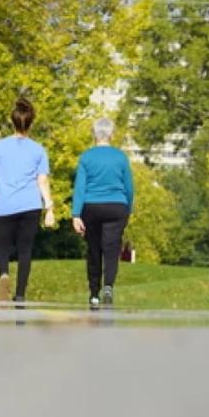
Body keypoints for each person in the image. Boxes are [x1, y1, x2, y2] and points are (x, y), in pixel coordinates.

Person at [0, 98, 56, 303]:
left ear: (11, 120)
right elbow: (42, 180)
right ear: (31, 122)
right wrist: (49, 207)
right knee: (25, 250)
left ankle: (4, 274)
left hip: (4, 205)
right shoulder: (38, 149)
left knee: (2, 247)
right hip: (30, 205)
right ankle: (21, 293)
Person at [72, 117, 134, 309]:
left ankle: (93, 293)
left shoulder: (86, 157)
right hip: (117, 206)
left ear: (94, 135)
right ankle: (108, 286)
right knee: (112, 249)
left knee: (94, 250)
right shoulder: (121, 157)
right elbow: (129, 187)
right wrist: (128, 208)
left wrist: (76, 215)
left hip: (91, 207)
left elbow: (80, 188)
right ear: (112, 134)